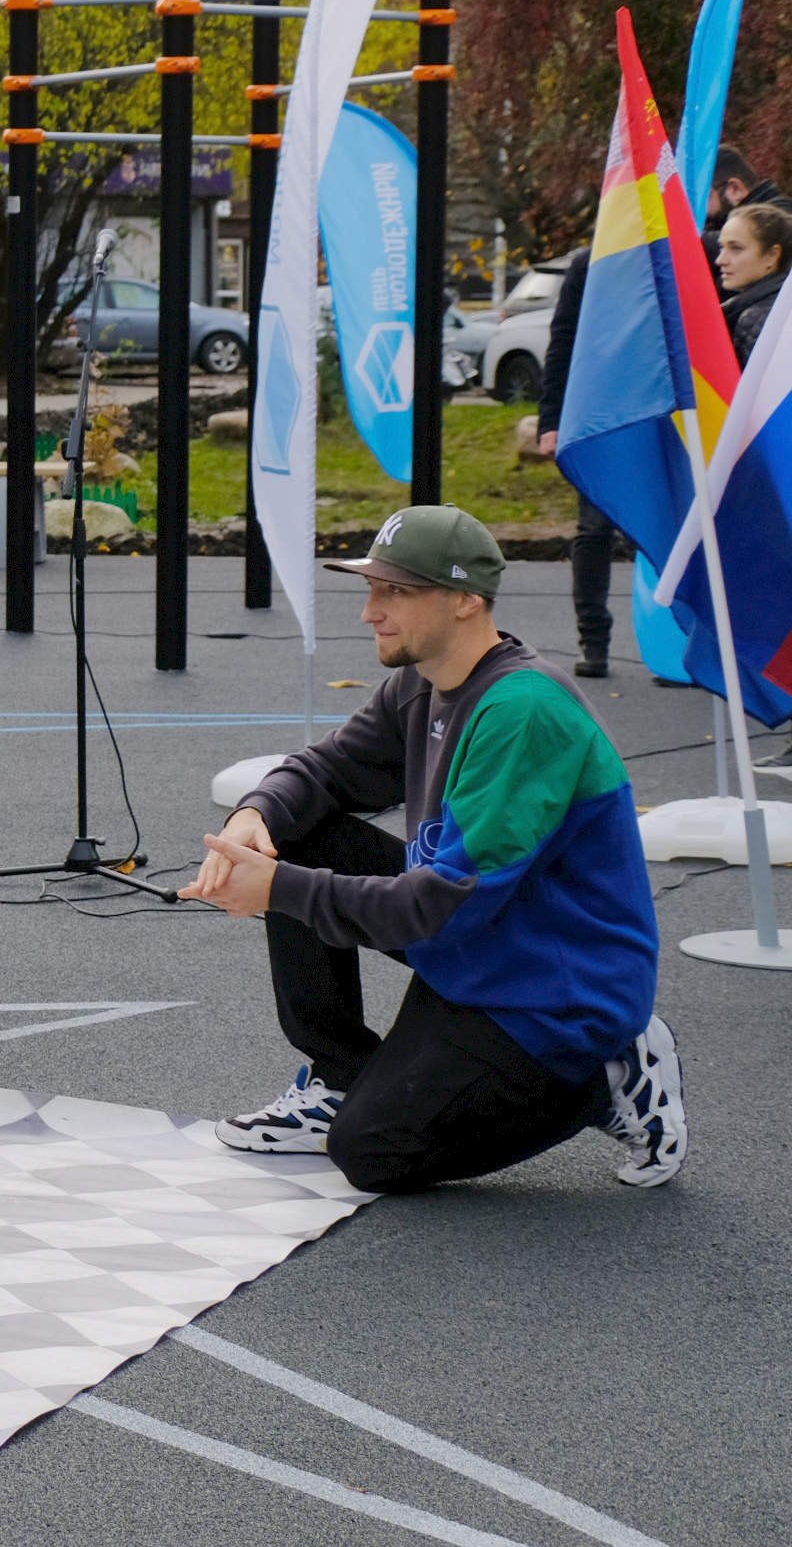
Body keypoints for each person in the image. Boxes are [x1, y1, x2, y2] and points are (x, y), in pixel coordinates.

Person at [181, 505, 687, 1194]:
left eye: (396, 591)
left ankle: (608, 1075)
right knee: (294, 831)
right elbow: (325, 771)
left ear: (465, 600)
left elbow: (444, 909)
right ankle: (339, 1078)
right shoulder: (423, 681)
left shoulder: (522, 712)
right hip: (486, 949)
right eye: (372, 589)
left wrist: (275, 889)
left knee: (371, 1153)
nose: (370, 612)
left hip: (556, 990)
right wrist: (256, 813)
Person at [532, 245, 613, 679]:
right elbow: (562, 342)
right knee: (594, 530)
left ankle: (678, 644)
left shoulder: (681, 252)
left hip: (663, 418)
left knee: (667, 533)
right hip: (597, 419)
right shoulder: (588, 263)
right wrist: (551, 422)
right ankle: (594, 642)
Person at [716, 201, 792, 366]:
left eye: (736, 248)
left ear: (772, 255)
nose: (720, 260)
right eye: (722, 248)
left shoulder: (757, 317)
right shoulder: (788, 301)